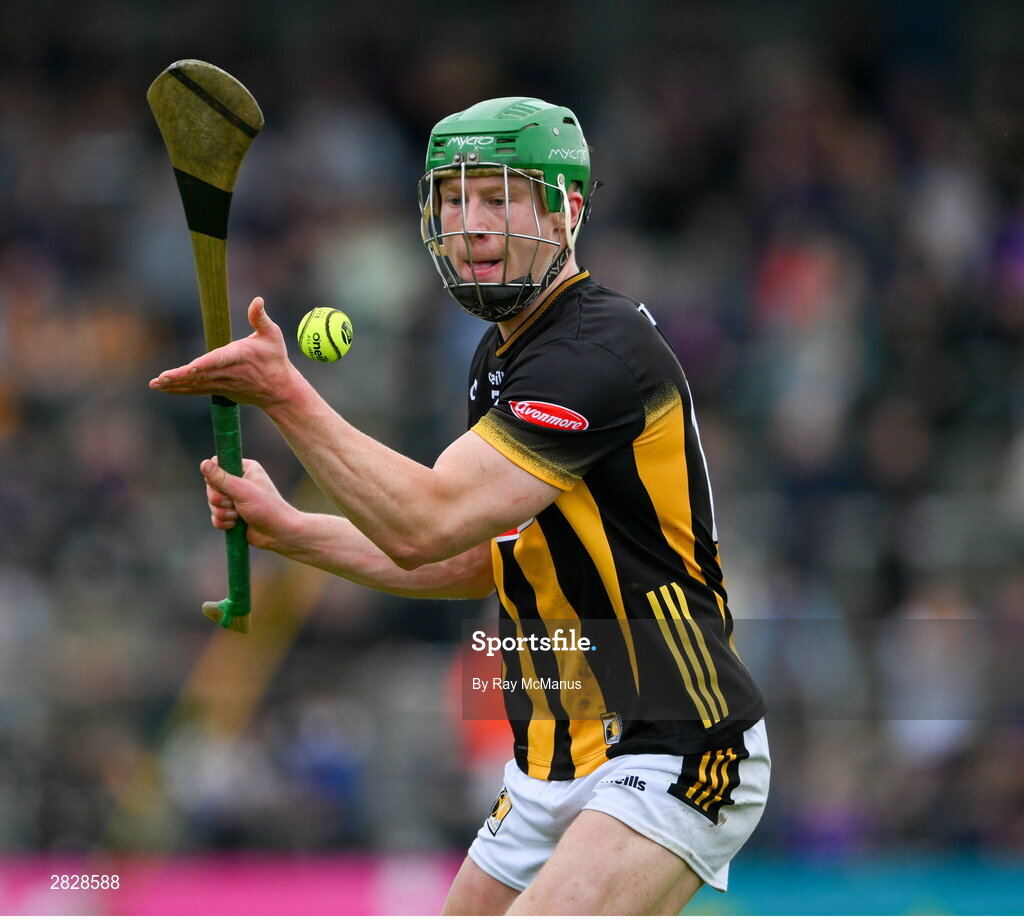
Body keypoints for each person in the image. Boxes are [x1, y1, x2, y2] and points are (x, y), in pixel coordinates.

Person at [151, 96, 769, 915]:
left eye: (497, 198)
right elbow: (470, 558)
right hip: (551, 761)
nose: (467, 223)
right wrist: (294, 532)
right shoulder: (501, 359)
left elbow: (429, 515)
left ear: (566, 211)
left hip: (675, 741)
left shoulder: (596, 352)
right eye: (451, 198)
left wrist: (284, 394)